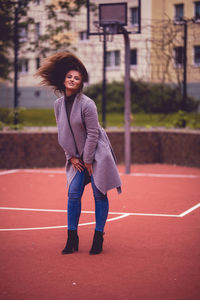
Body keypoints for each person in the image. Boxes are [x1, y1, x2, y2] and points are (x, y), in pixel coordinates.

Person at [36, 52, 121, 255]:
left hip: (96, 154)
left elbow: (93, 134)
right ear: (63, 80)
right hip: (77, 157)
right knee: (73, 193)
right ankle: (71, 238)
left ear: (81, 82)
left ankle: (98, 237)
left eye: (77, 78)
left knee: (99, 194)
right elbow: (63, 133)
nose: (72, 80)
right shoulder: (58, 105)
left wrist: (89, 159)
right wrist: (71, 156)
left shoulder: (87, 104)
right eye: (69, 77)